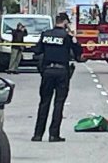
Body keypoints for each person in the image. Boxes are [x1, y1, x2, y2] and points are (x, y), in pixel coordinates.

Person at [31, 13, 83, 142]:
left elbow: (37, 51)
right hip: (62, 72)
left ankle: (38, 134)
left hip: (47, 71)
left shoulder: (45, 34)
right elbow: (78, 53)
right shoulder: (66, 36)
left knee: (44, 103)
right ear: (65, 22)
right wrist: (74, 38)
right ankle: (54, 135)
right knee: (58, 104)